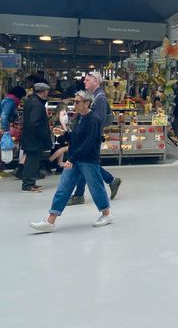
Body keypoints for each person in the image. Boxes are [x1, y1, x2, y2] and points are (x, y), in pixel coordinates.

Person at [29, 90, 112, 232]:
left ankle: (106, 214)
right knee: (63, 187)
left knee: (95, 186)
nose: (74, 104)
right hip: (75, 158)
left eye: (77, 102)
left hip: (88, 160)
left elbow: (89, 143)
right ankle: (51, 220)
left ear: (87, 103)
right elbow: (77, 137)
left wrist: (72, 158)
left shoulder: (94, 119)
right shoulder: (79, 118)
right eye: (74, 101)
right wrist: (65, 134)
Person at [68, 72, 121, 205]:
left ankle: (79, 195)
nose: (84, 82)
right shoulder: (94, 96)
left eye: (87, 80)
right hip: (90, 136)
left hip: (92, 137)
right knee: (87, 164)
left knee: (85, 163)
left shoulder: (100, 98)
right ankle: (110, 181)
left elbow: (98, 120)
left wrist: (91, 135)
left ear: (96, 81)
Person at [0, 85, 26, 179]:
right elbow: (4, 115)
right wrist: (6, 130)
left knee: (0, 148)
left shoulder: (7, 99)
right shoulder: (10, 101)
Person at [21, 83, 52, 192]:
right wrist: (43, 134)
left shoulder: (32, 101)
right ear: (43, 91)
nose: (47, 93)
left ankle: (31, 182)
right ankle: (28, 184)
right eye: (47, 91)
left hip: (31, 137)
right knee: (32, 161)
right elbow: (35, 123)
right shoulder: (37, 104)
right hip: (34, 139)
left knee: (32, 160)